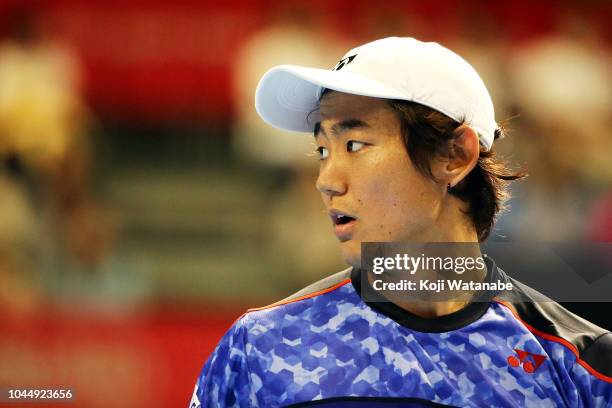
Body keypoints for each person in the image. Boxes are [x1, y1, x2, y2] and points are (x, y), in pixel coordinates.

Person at [190, 37, 612, 407]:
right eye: (322, 150)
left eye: (355, 144)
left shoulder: (583, 366)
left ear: (455, 157)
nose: (326, 181)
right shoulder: (259, 350)